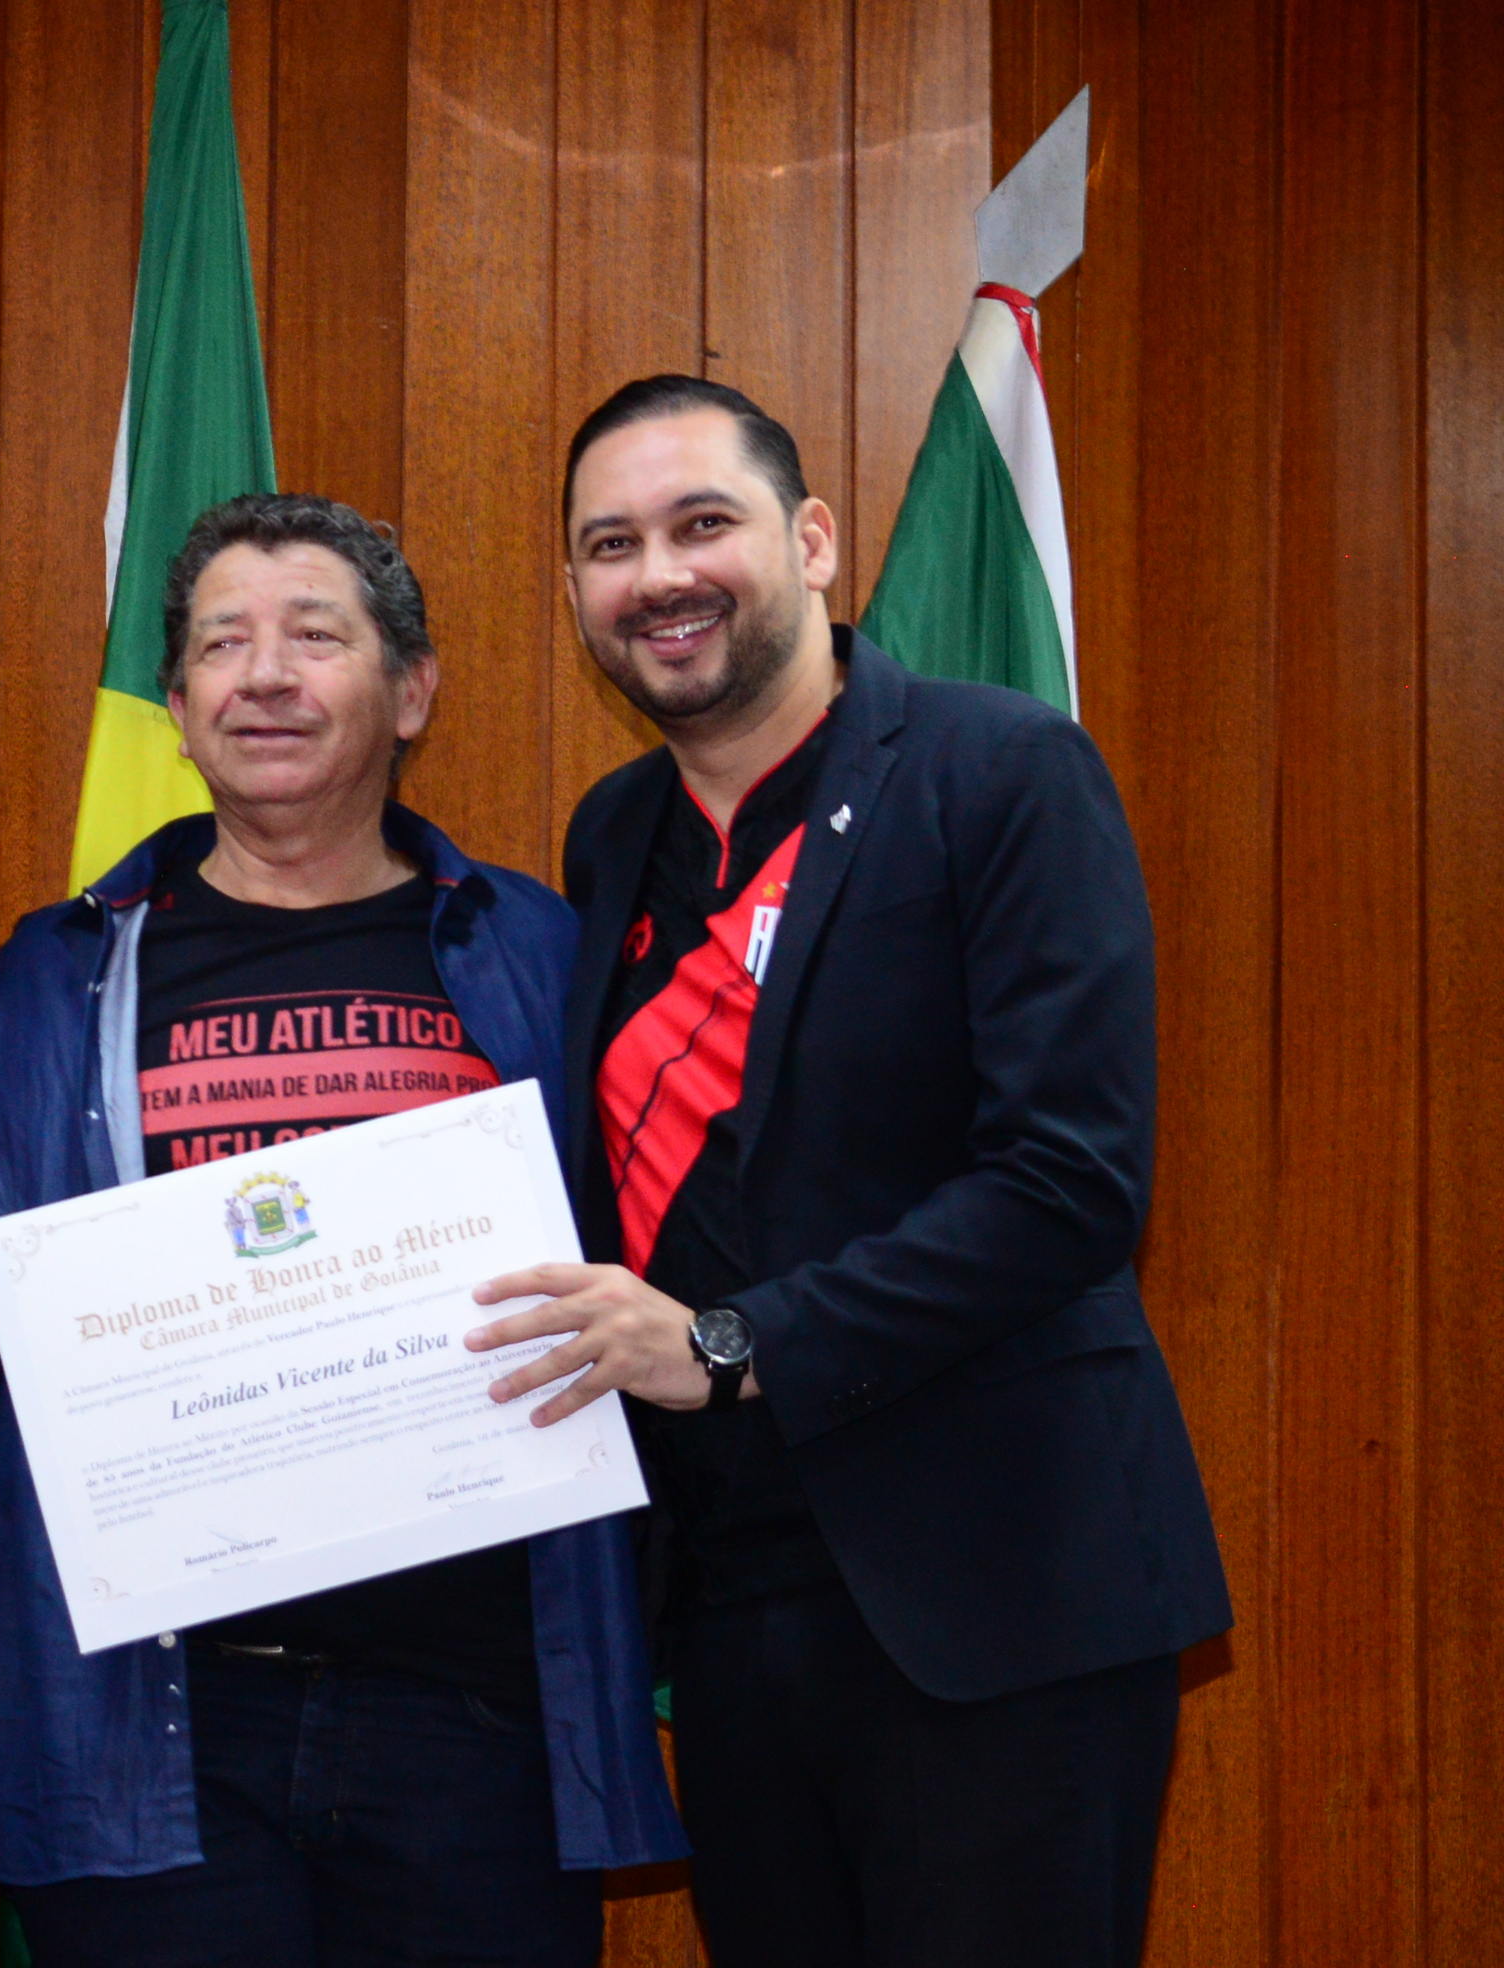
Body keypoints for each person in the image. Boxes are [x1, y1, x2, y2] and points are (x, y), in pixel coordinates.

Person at [464, 374, 1231, 1966]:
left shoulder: (1001, 770)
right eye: (611, 544)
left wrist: (730, 1346)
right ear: (575, 593)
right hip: (730, 1613)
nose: (659, 574)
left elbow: (1072, 1183)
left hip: (997, 1600)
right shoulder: (612, 837)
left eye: (703, 523)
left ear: (811, 541)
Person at [0, 493, 685, 1968]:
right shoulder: (49, 978)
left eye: (314, 636)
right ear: (177, 710)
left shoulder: (541, 954)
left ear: (412, 691)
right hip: (160, 1727)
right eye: (222, 646)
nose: (265, 677)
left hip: (474, 1715)